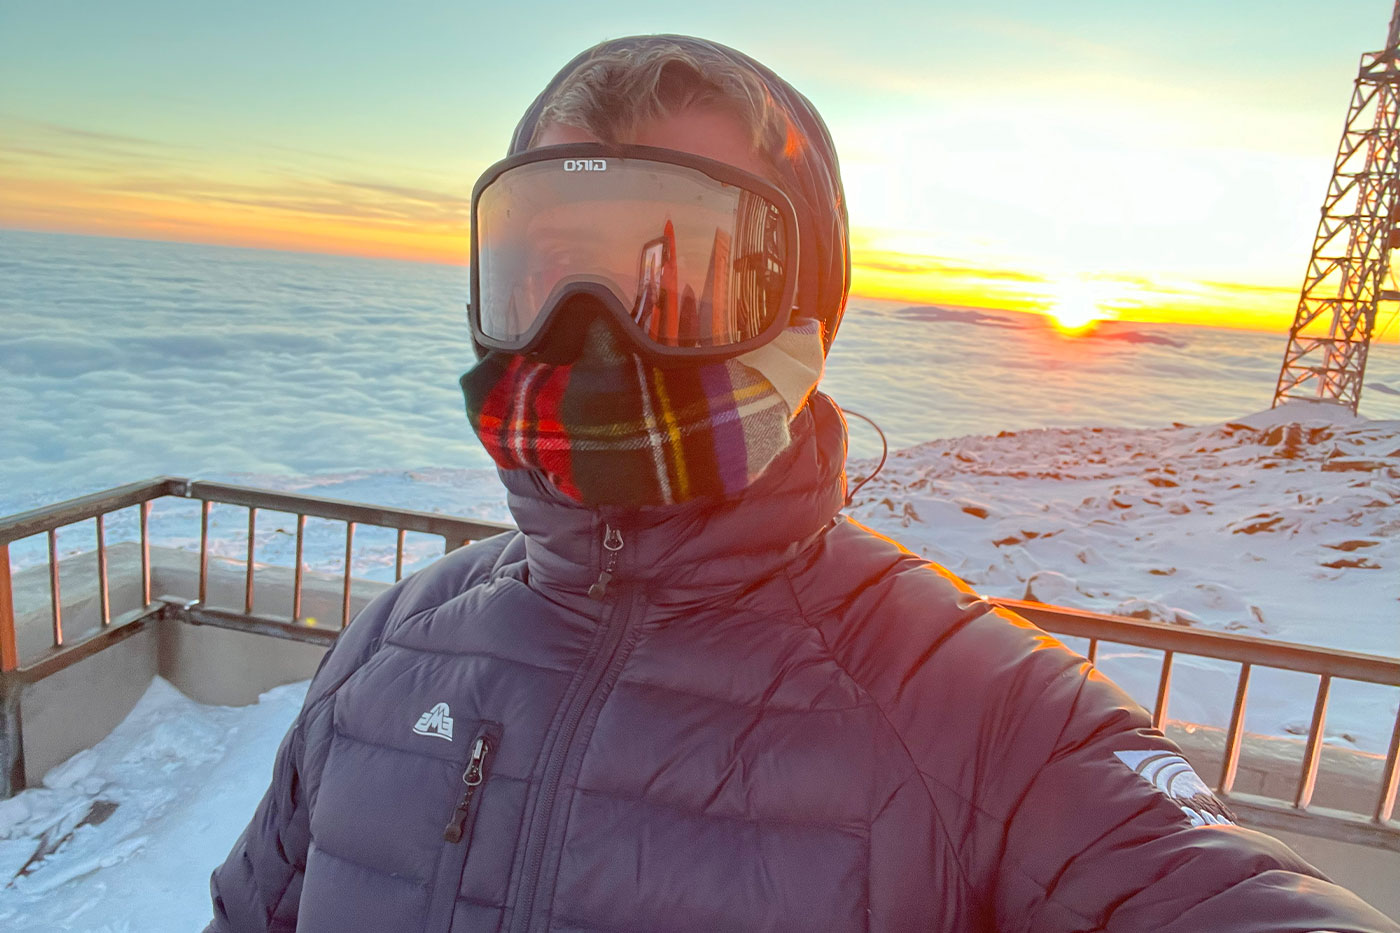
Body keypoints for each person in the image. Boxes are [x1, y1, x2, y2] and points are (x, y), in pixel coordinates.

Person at [207, 35, 1399, 932]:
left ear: (807, 319)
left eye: (677, 278)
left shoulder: (968, 711)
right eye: (552, 264)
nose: (595, 330)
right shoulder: (395, 647)